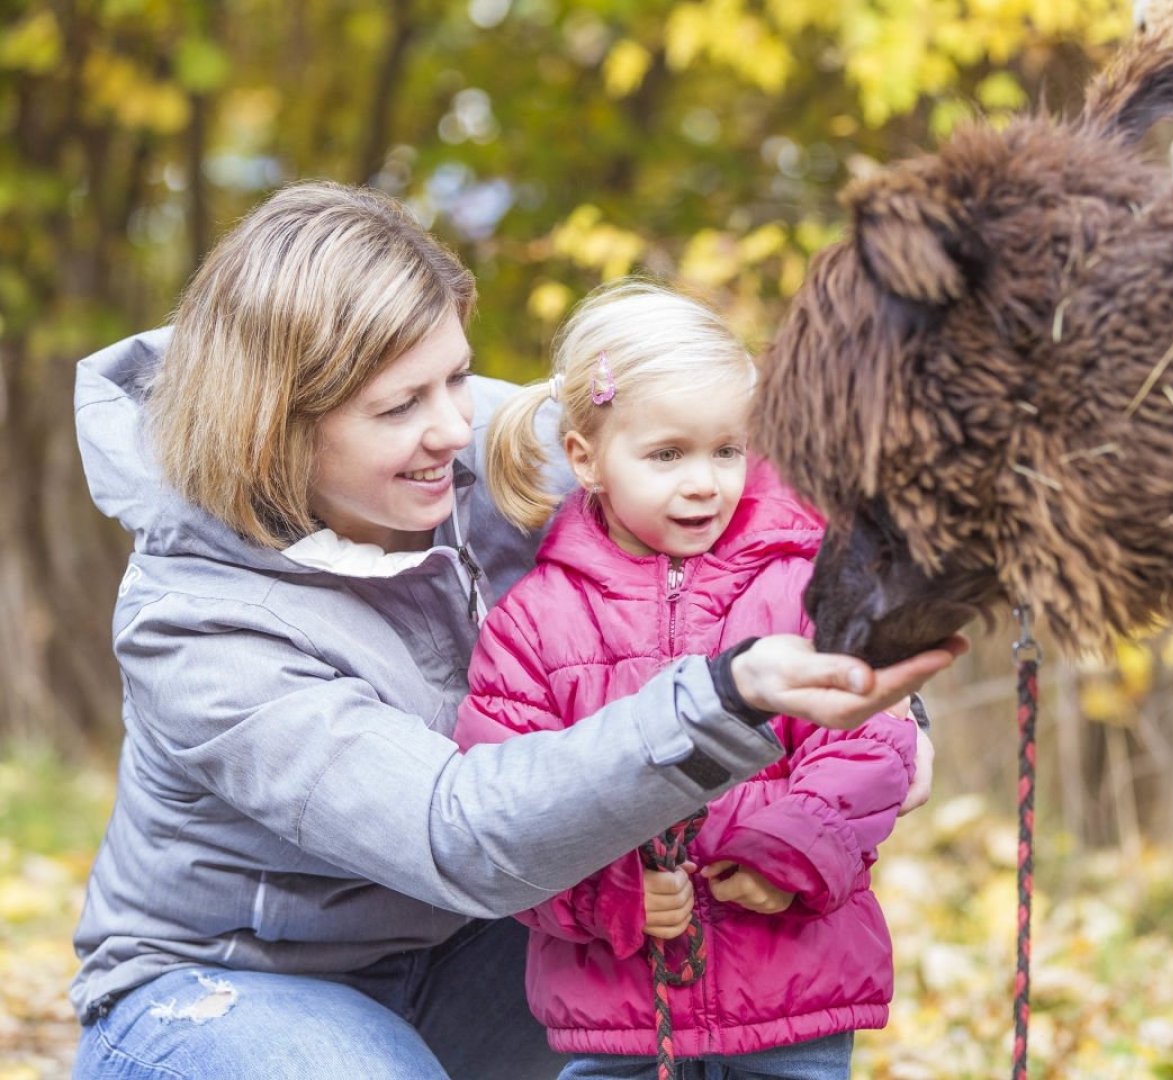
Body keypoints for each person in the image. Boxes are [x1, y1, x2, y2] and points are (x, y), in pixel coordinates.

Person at [69, 181, 962, 1079]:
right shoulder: (195, 625)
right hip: (236, 989)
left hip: (485, 948)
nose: (455, 426)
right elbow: (455, 833)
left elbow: (747, 518)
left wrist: (877, 700)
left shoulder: (494, 452)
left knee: (707, 1007)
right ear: (275, 424)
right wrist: (724, 700)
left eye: (455, 376)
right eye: (399, 407)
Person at [453, 281, 917, 1078]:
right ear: (585, 458)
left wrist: (796, 849)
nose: (704, 481)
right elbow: (505, 804)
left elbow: (870, 740)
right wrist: (608, 895)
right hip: (621, 1017)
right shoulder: (534, 622)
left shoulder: (804, 583)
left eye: (726, 450)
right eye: (667, 454)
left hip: (791, 999)